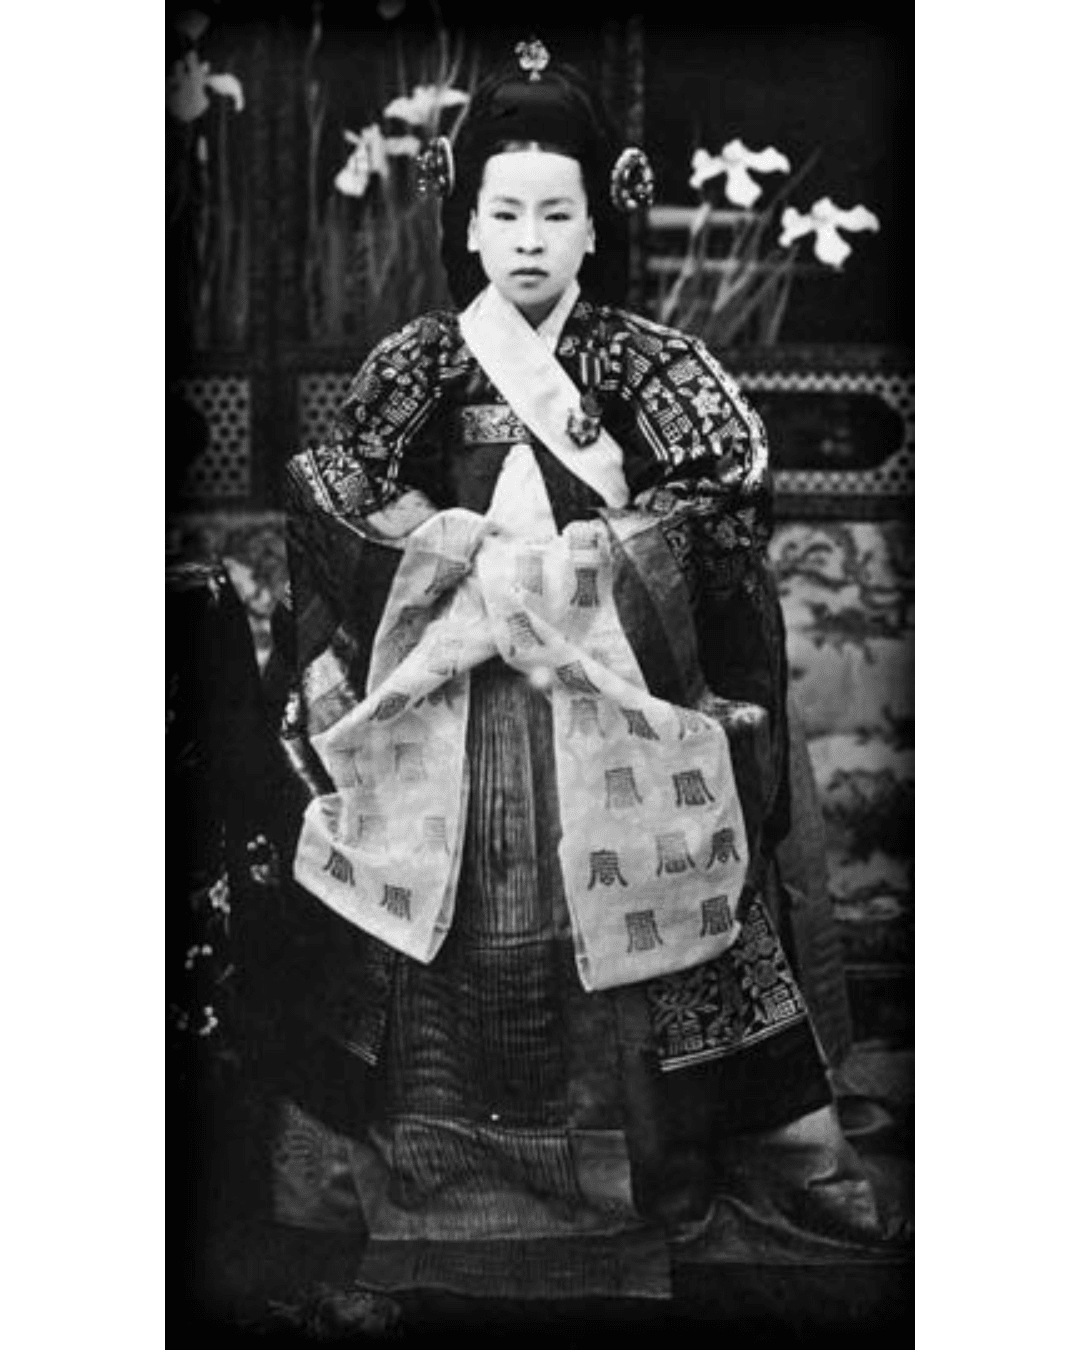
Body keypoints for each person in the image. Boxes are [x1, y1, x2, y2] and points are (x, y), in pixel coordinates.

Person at [264, 38, 889, 1305]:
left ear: (598, 222)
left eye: (558, 211)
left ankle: (725, 1150)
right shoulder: (420, 361)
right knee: (388, 900)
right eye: (505, 211)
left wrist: (596, 564)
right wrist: (439, 556)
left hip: (604, 694)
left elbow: (722, 496)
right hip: (454, 701)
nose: (532, 238)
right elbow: (330, 487)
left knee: (675, 879)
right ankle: (363, 1170)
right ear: (470, 221)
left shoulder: (648, 364)